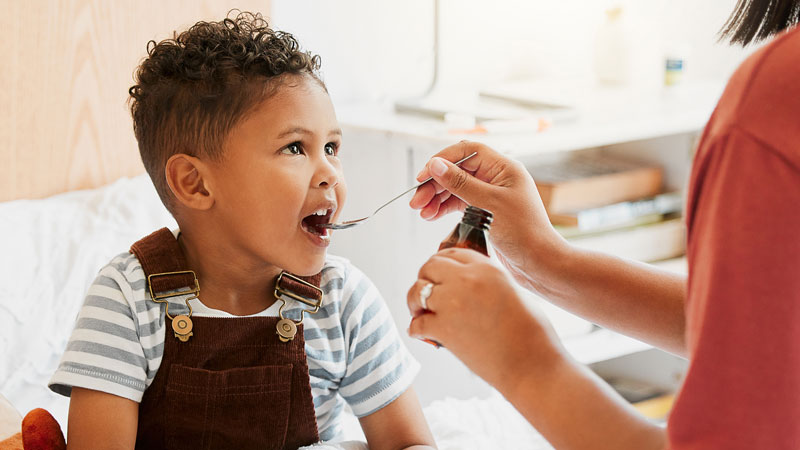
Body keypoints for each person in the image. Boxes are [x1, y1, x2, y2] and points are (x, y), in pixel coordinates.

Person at [406, 1, 800, 449]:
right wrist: (545, 260)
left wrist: (520, 359)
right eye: (302, 147)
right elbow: (758, 334)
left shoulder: (774, 104)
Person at [48, 12, 436, 450]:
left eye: (331, 147)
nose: (329, 171)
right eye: (295, 147)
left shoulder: (345, 301)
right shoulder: (126, 301)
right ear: (195, 183)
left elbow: (410, 444)